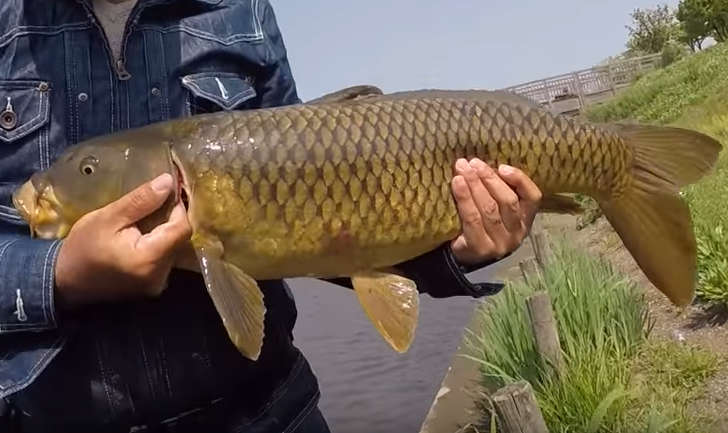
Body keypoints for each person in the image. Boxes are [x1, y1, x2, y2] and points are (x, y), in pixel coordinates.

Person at [0, 0, 543, 432]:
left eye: (89, 170)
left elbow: (326, 216)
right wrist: (59, 275)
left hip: (267, 411)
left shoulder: (240, 11)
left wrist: (449, 250)